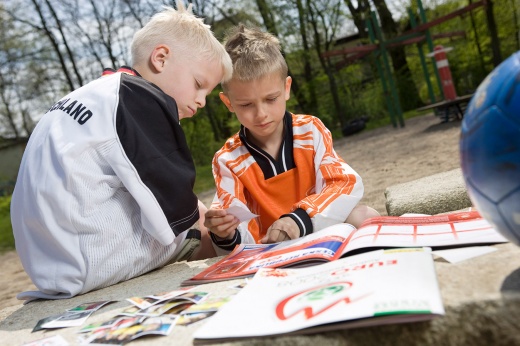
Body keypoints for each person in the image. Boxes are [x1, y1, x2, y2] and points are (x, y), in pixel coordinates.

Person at [10, 1, 232, 301]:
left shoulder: (97, 93)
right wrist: (214, 225)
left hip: (49, 262)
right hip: (92, 260)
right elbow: (180, 206)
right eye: (198, 85)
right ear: (161, 58)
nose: (202, 101)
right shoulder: (139, 98)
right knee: (206, 235)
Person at [204, 24, 379, 254]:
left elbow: (345, 183)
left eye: (271, 99)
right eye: (246, 105)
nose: (261, 113)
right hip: (269, 251)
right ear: (229, 103)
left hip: (318, 230)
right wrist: (225, 232)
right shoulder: (227, 160)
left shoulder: (311, 130)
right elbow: (236, 228)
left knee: (366, 216)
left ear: (286, 88)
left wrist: (299, 220)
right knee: (212, 242)